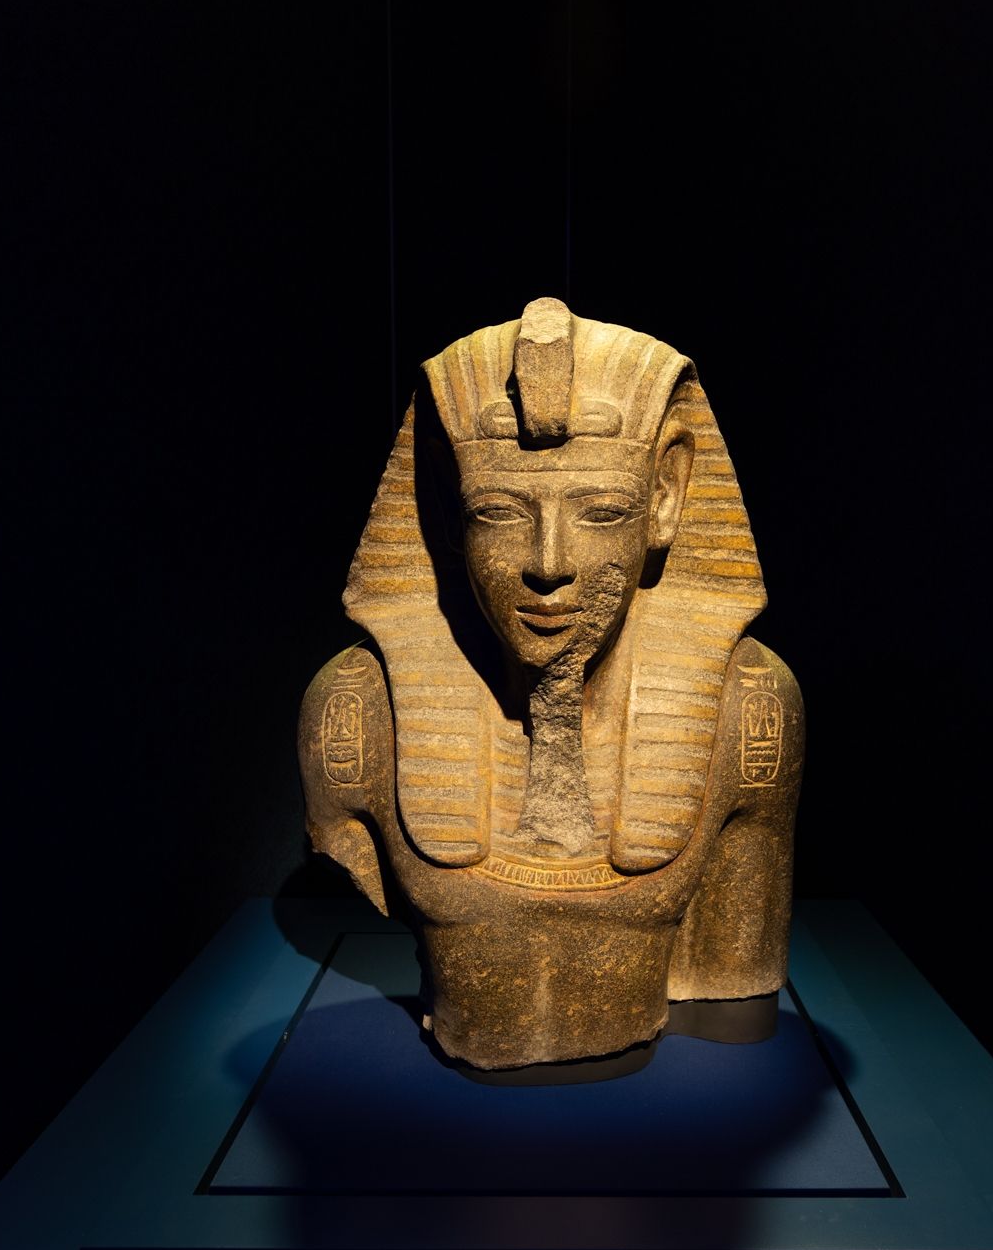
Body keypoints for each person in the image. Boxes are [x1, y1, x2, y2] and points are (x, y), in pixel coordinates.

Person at [299, 298, 803, 1075]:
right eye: (498, 511)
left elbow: (734, 987)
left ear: (665, 497)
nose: (549, 564)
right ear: (447, 507)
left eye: (602, 511)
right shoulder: (359, 714)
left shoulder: (749, 710)